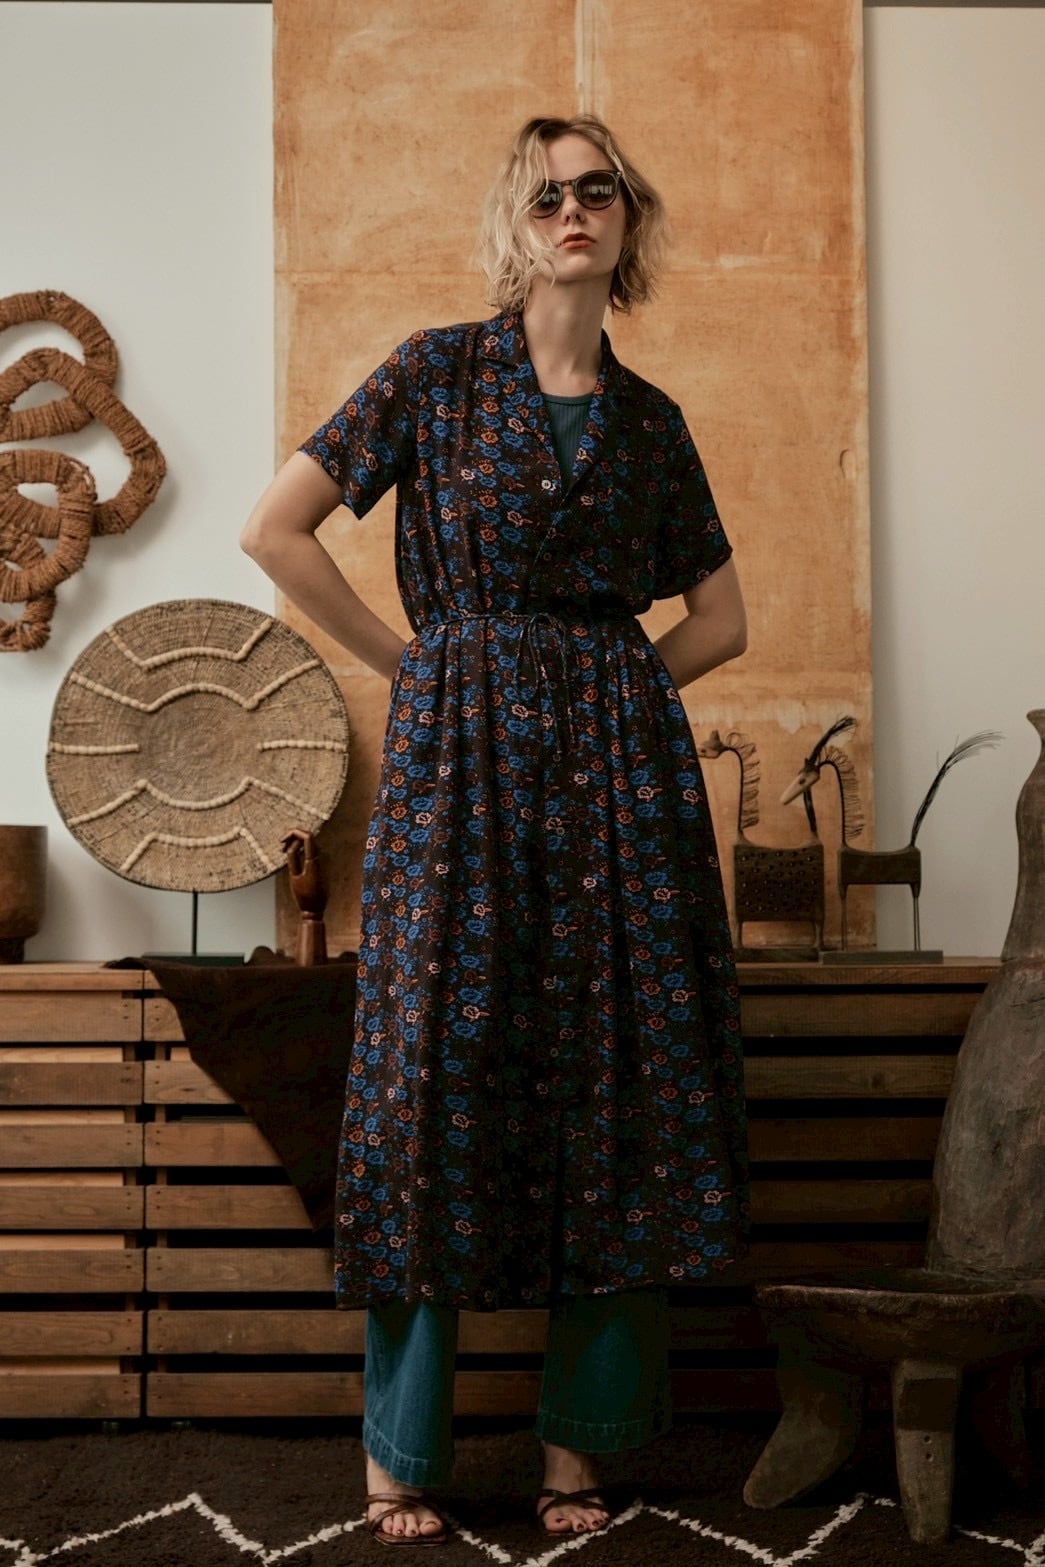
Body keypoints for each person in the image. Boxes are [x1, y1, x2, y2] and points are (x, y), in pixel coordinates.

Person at [241, 113, 750, 1547]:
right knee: (428, 1079)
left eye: (597, 190)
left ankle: (580, 1451)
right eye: (545, 195)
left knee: (620, 1081)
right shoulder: (434, 371)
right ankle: (400, 1456)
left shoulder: (651, 423)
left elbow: (723, 620)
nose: (571, 210)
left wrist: (617, 692)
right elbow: (275, 531)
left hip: (620, 793)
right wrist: (414, 665)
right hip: (455, 765)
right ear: (514, 223)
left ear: (627, 218)